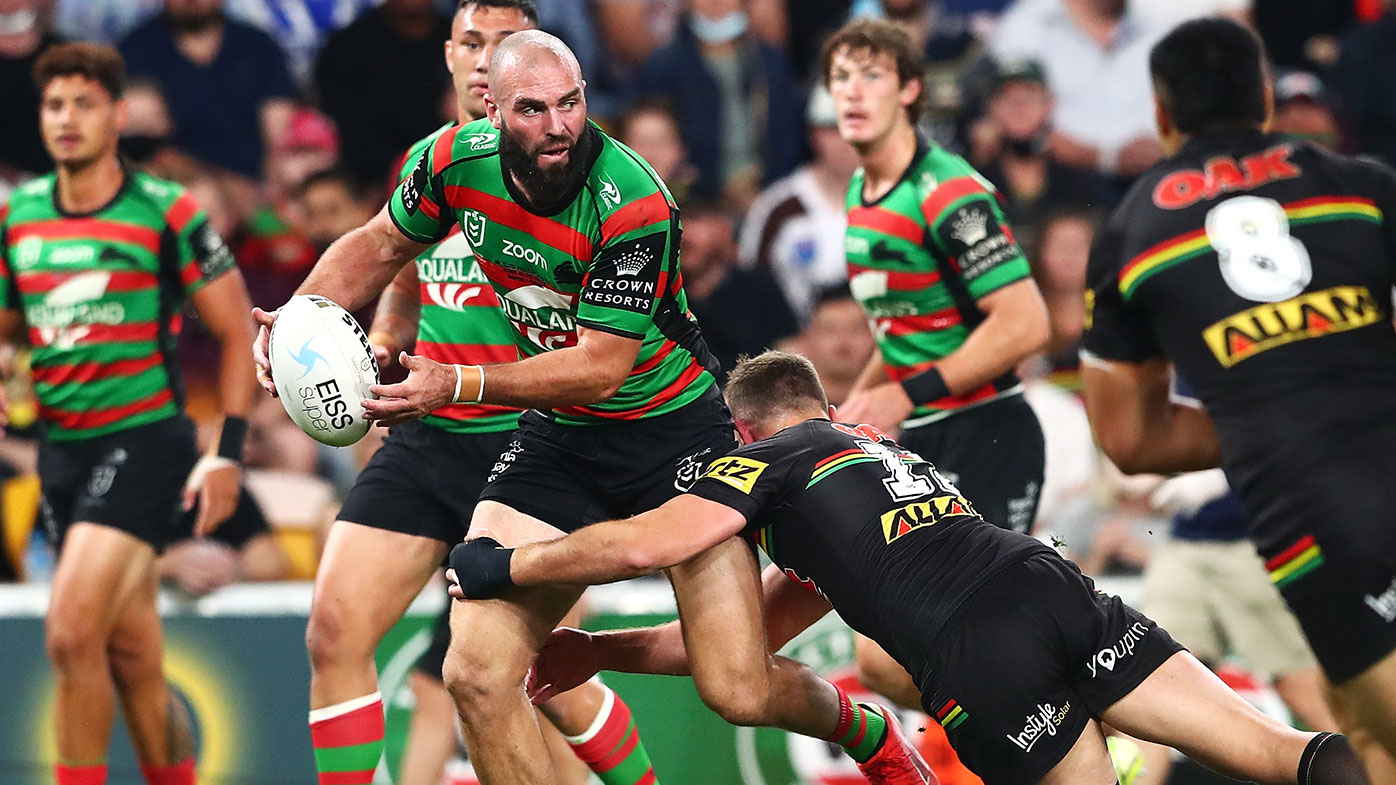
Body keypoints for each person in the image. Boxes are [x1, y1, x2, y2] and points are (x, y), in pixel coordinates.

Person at [252, 23, 931, 785]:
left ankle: (866, 728)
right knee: (476, 672)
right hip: (560, 441)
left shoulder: (633, 197)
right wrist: (296, 324)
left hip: (675, 436)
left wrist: (455, 382)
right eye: (534, 110)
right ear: (494, 112)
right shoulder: (450, 161)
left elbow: (601, 369)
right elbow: (378, 246)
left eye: (570, 103)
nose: (559, 126)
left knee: (734, 686)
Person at [448, 350, 1372, 785]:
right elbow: (746, 644)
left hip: (977, 649)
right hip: (1048, 582)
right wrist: (600, 651)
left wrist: (508, 563)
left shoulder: (765, 464)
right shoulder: (880, 456)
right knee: (1278, 753)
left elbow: (650, 540)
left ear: (743, 431)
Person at [1080, 17, 1396, 780]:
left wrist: (1268, 409)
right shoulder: (1365, 185)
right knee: (1356, 719)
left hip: (1316, 513)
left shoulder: (1132, 231)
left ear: (1161, 114)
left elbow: (1130, 438)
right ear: (1265, 97)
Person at [0, 42, 255, 785]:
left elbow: (237, 328)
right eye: (54, 105)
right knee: (132, 656)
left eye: (84, 103)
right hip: (62, 454)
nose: (67, 119)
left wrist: (228, 452)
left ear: (116, 114)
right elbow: (13, 328)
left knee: (70, 634)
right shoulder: (20, 219)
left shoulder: (164, 212)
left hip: (145, 443)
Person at [822, 17, 1050, 707]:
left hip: (990, 433)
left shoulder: (949, 192)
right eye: (839, 79)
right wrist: (849, 416)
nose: (852, 93)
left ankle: (1073, 727)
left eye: (872, 76)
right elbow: (899, 333)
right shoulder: (861, 197)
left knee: (934, 642)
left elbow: (1027, 322)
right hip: (923, 438)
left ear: (912, 89)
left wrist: (903, 394)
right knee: (884, 661)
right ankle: (1060, 722)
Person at [118, 0, 296, 182]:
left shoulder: (257, 46)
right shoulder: (135, 50)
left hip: (256, 178)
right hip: (176, 180)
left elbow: (278, 130)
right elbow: (139, 137)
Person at [738, 85, 859, 323]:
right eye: (834, 128)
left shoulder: (903, 205)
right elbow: (752, 291)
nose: (846, 140)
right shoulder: (778, 207)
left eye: (856, 127)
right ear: (813, 134)